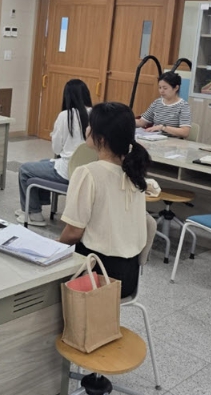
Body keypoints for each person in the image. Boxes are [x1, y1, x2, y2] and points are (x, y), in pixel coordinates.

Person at [59, 102, 151, 298]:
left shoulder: (88, 173)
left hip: (95, 275)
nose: (87, 129)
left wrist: (54, 248)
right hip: (128, 277)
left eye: (90, 125)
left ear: (101, 138)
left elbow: (73, 233)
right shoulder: (134, 172)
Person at [16, 79, 92, 227]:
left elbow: (56, 149)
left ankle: (34, 214)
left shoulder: (65, 115)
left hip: (67, 172)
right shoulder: (96, 115)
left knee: (25, 170)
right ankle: (33, 205)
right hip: (86, 173)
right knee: (43, 163)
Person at [135, 72, 191, 139]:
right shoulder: (157, 102)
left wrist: (162, 127)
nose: (161, 91)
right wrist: (127, 120)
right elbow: (141, 122)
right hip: (154, 139)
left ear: (176, 88)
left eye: (165, 88)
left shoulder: (183, 106)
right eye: (160, 87)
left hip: (172, 142)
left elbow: (185, 132)